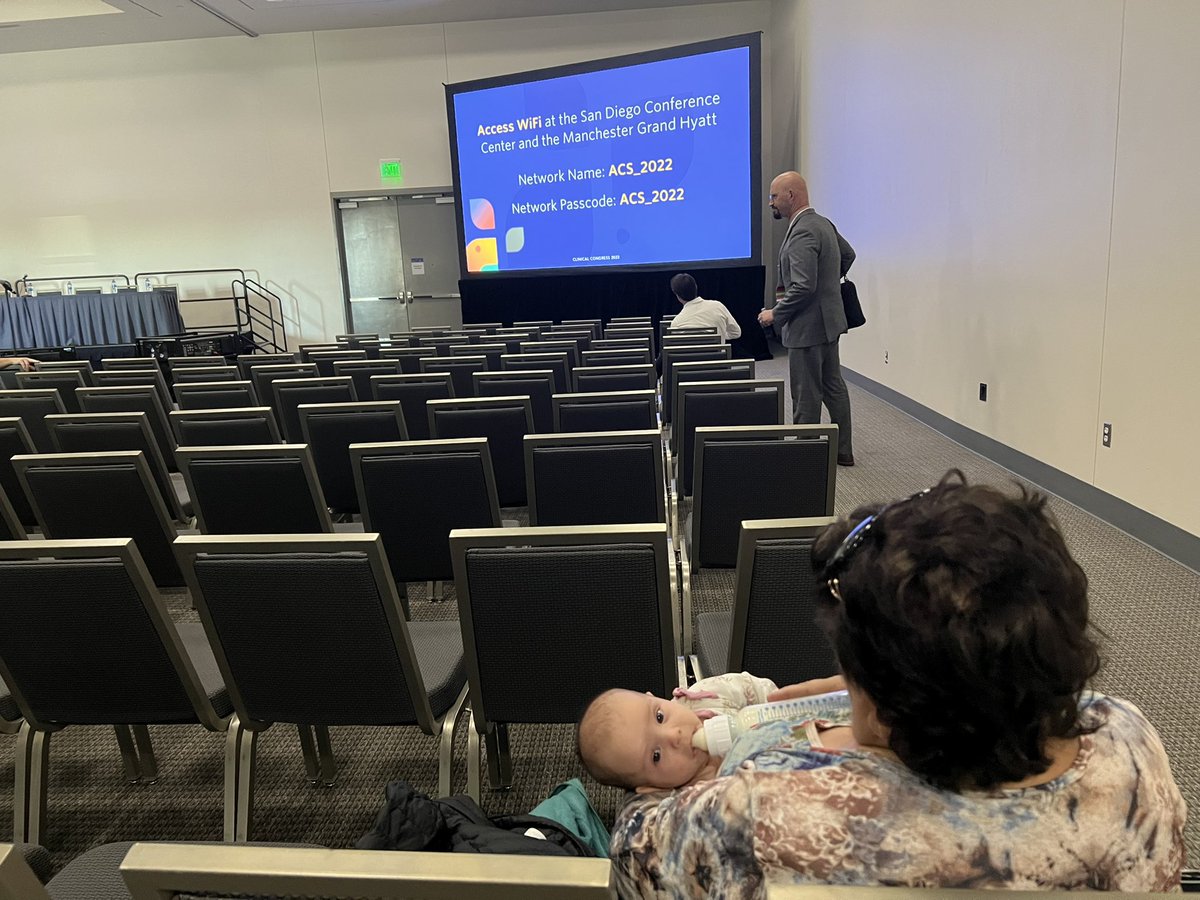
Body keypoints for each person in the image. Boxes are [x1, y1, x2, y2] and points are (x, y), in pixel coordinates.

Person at [611, 472, 1186, 896]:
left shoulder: (758, 814)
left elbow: (634, 856)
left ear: (888, 714)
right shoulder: (1131, 742)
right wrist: (849, 693)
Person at [758, 172, 857, 466]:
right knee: (833, 386)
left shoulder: (801, 232)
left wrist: (775, 313)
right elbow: (847, 255)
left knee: (805, 394)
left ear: (791, 195)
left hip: (807, 328)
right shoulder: (823, 224)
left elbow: (802, 286)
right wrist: (829, 283)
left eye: (774, 196)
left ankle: (805, 459)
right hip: (830, 324)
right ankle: (843, 451)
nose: (771, 203)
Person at [577, 673, 777, 793]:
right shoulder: (693, 799)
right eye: (656, 756)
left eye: (659, 717)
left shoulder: (708, 695)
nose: (674, 736)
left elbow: (754, 687)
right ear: (651, 788)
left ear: (655, 698)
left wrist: (777, 706)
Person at [666, 273, 741, 342]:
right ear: (696, 287)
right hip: (718, 356)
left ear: (677, 295)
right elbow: (736, 333)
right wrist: (720, 335)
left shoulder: (676, 323)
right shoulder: (718, 306)